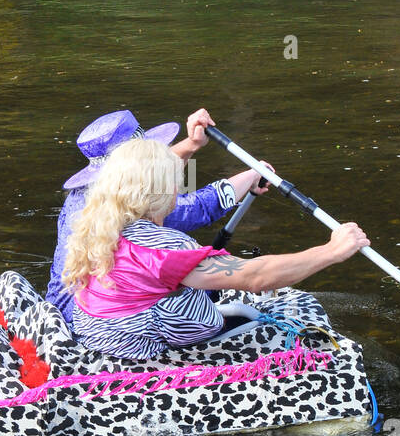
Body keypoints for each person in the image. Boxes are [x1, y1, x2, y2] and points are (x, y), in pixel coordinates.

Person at [62, 138, 368, 361]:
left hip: (101, 340)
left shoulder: (96, 227)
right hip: (141, 355)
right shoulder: (165, 249)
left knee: (234, 310)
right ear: (162, 190)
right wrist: (333, 250)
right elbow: (256, 277)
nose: (178, 189)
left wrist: (249, 175)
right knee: (268, 321)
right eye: (176, 182)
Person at [47, 108, 267, 323]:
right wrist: (252, 175)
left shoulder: (87, 193)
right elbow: (196, 209)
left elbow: (152, 170)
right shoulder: (127, 206)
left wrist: (192, 144)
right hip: (90, 322)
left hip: (62, 308)